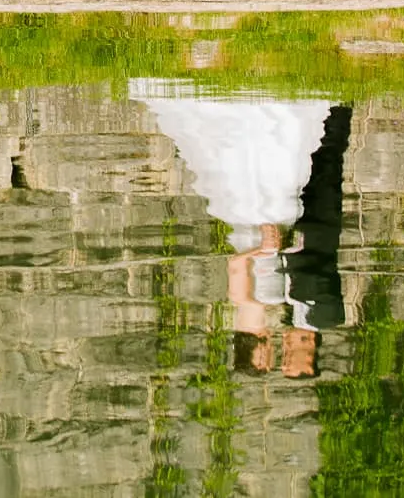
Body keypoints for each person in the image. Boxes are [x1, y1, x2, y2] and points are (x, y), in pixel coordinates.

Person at [131, 80, 352, 380]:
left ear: (255, 351)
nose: (275, 355)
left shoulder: (248, 309)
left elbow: (236, 264)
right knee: (277, 169)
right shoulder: (269, 314)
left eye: (267, 359)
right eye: (279, 359)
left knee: (261, 168)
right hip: (272, 228)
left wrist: (263, 248)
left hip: (258, 230)